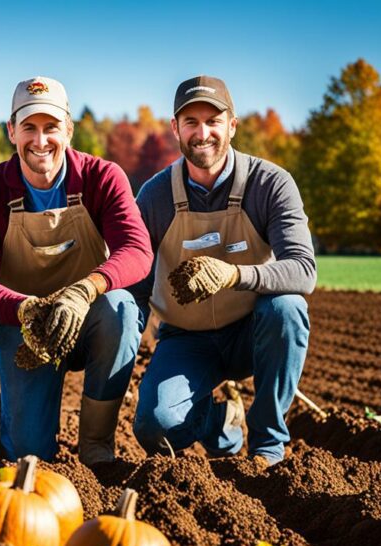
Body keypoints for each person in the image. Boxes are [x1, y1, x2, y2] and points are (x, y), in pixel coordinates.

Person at [0, 77, 153, 464]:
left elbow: (137, 250)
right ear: (11, 131)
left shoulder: (102, 177)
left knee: (121, 309)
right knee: (30, 454)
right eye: (29, 127)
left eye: (51, 127)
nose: (40, 140)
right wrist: (27, 309)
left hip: (92, 318)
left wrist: (84, 291)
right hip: (24, 326)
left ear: (68, 129)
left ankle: (96, 445)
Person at [130, 75, 315, 466]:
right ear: (175, 129)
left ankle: (267, 444)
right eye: (191, 122)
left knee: (287, 309)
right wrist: (119, 353)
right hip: (186, 338)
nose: (203, 133)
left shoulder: (270, 184)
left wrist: (234, 275)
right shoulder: (156, 196)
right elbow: (138, 287)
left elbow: (302, 269)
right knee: (155, 427)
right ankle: (221, 422)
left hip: (252, 329)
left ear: (232, 125)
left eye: (213, 121)